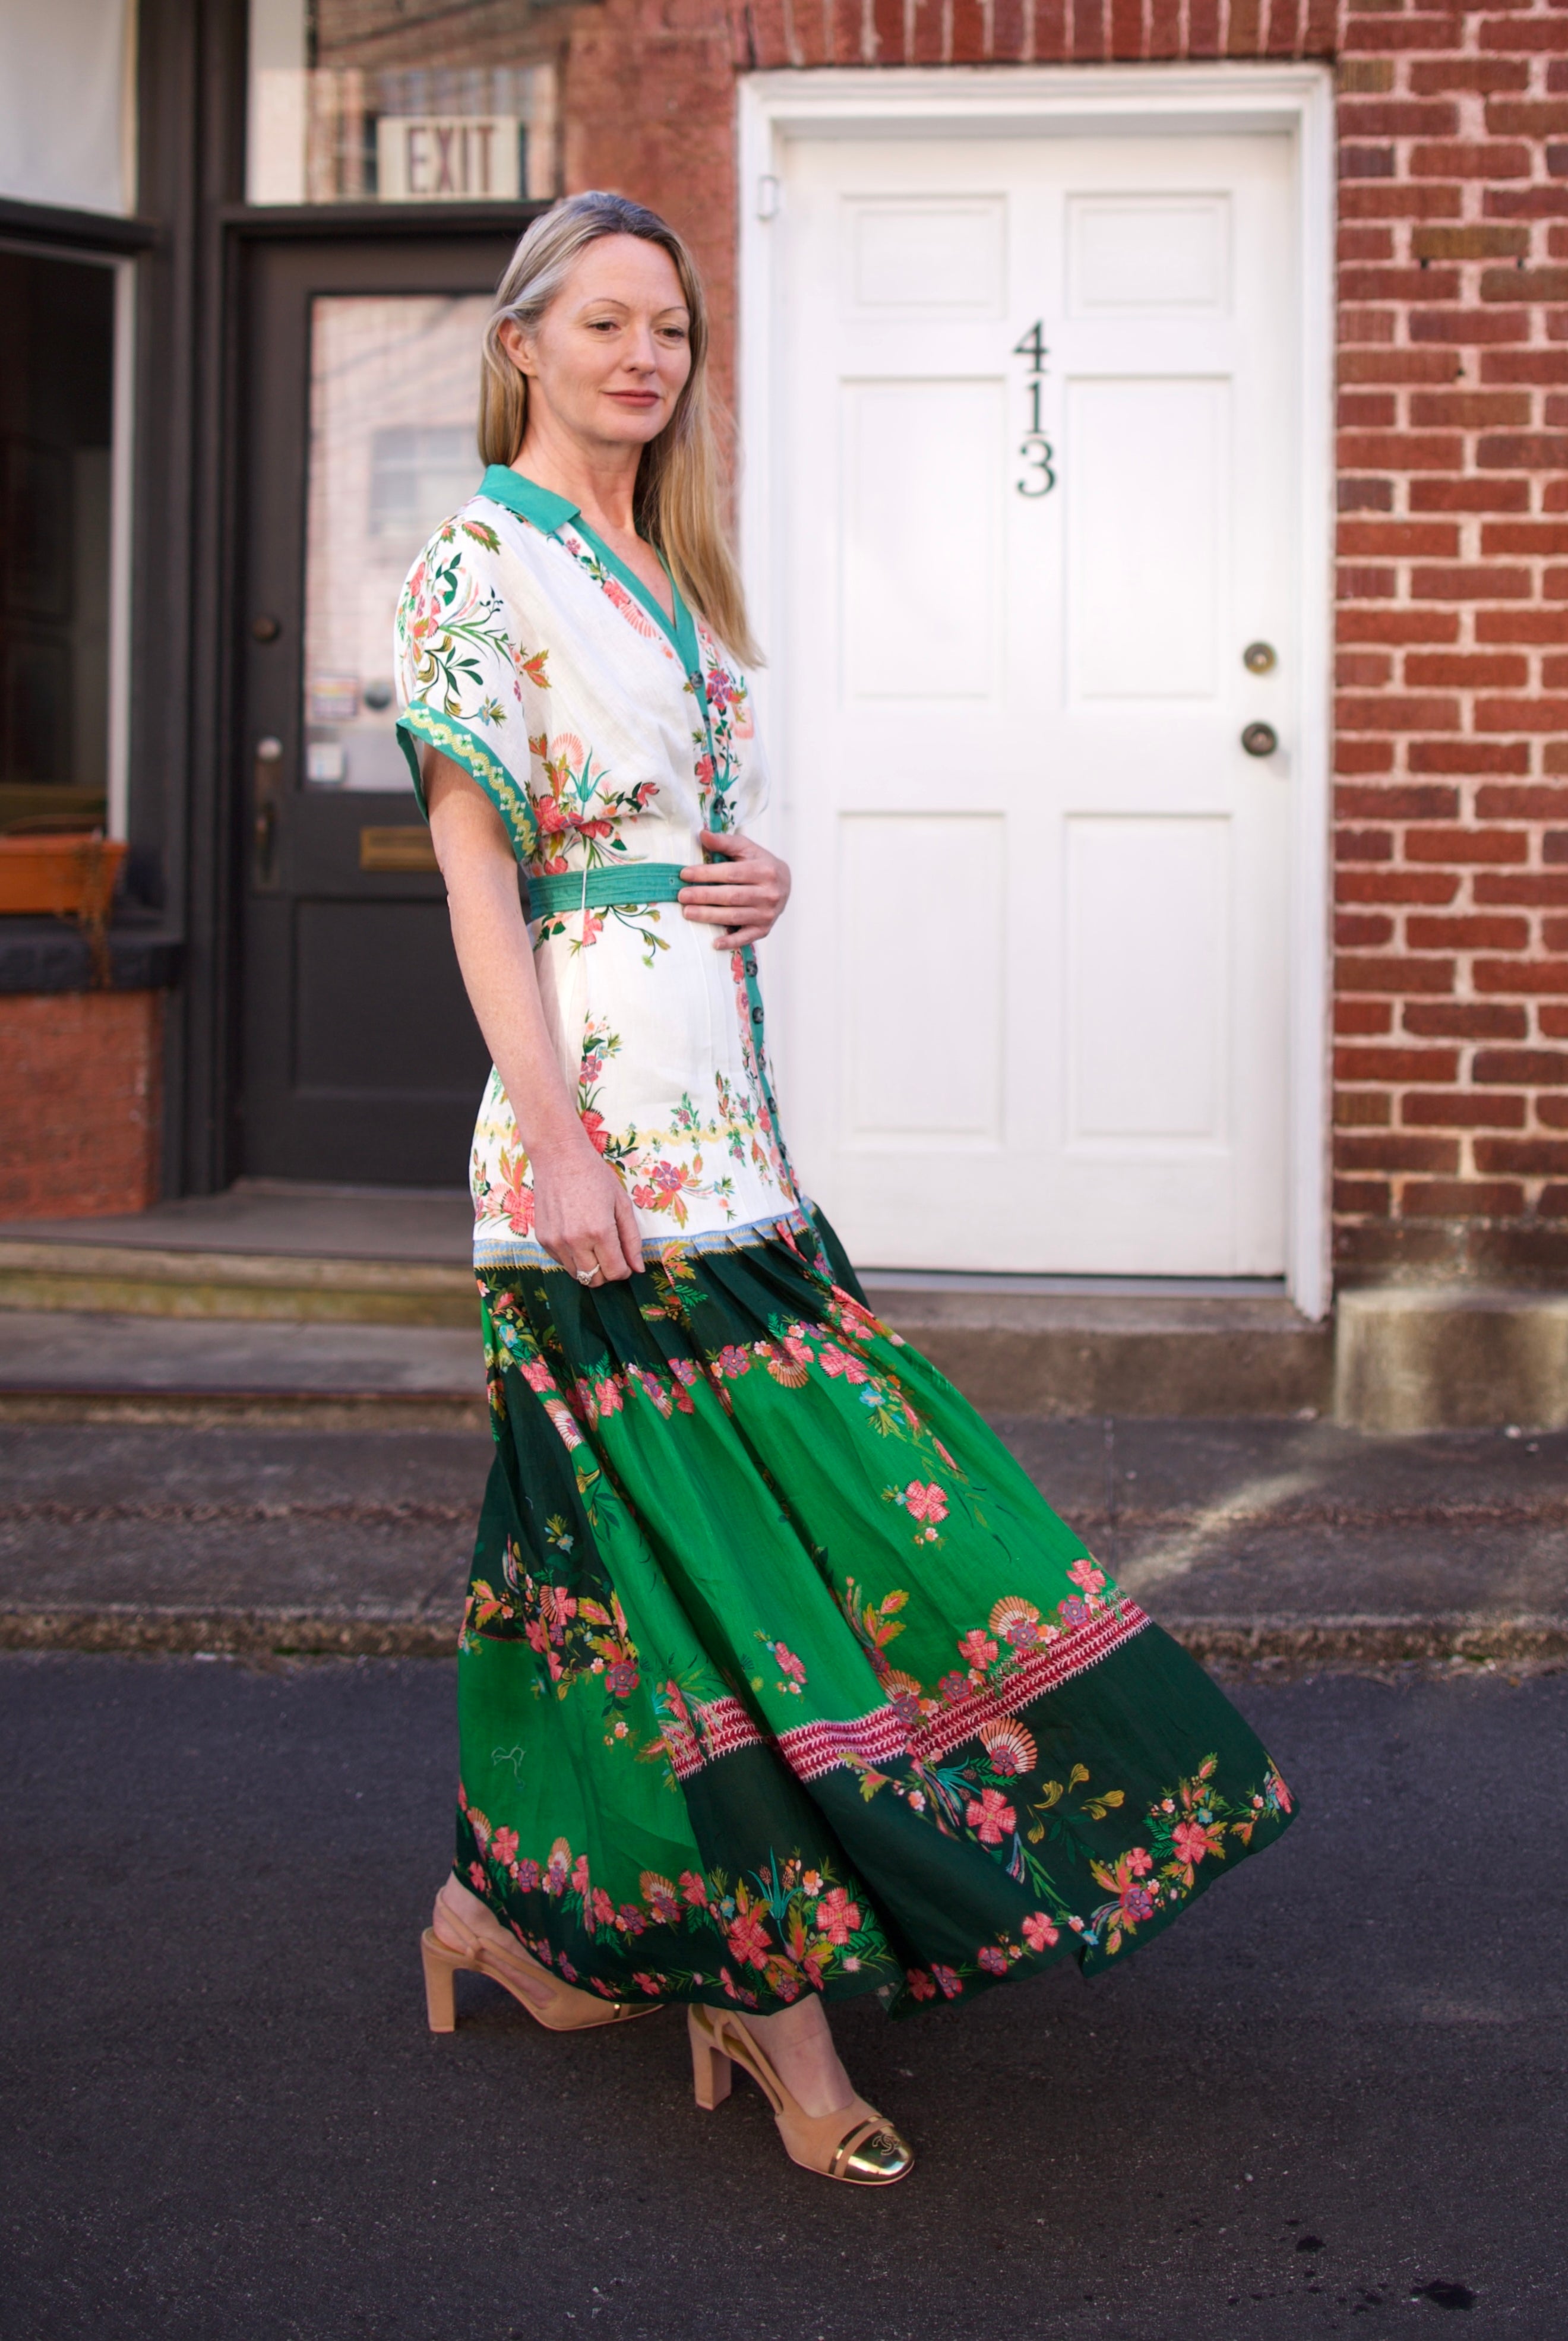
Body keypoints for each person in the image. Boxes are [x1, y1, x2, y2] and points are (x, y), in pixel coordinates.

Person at [396, 191, 1295, 2190]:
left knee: (605, 1583)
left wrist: (754, 880)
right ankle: (778, 2019)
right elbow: (480, 865)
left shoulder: (670, 560)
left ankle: (489, 1908)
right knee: (720, 1583)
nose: (649, 356)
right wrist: (555, 1143)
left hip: (733, 1130)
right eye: (610, 322)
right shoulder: (481, 553)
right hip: (602, 1134)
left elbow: (656, 839)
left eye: (675, 329)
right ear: (524, 340)